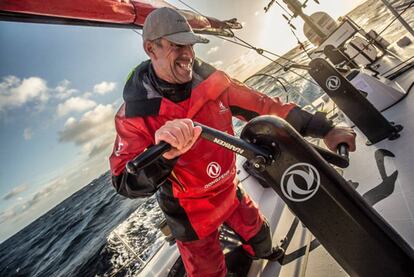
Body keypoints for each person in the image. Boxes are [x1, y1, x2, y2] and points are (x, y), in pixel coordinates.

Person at [109, 7, 356, 277]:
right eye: (176, 45)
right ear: (150, 49)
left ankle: (265, 254)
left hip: (229, 188)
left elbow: (265, 105)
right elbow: (125, 181)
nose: (187, 54)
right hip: (190, 212)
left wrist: (325, 129)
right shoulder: (133, 116)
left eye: (190, 44)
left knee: (261, 237)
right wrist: (164, 157)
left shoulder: (214, 82)